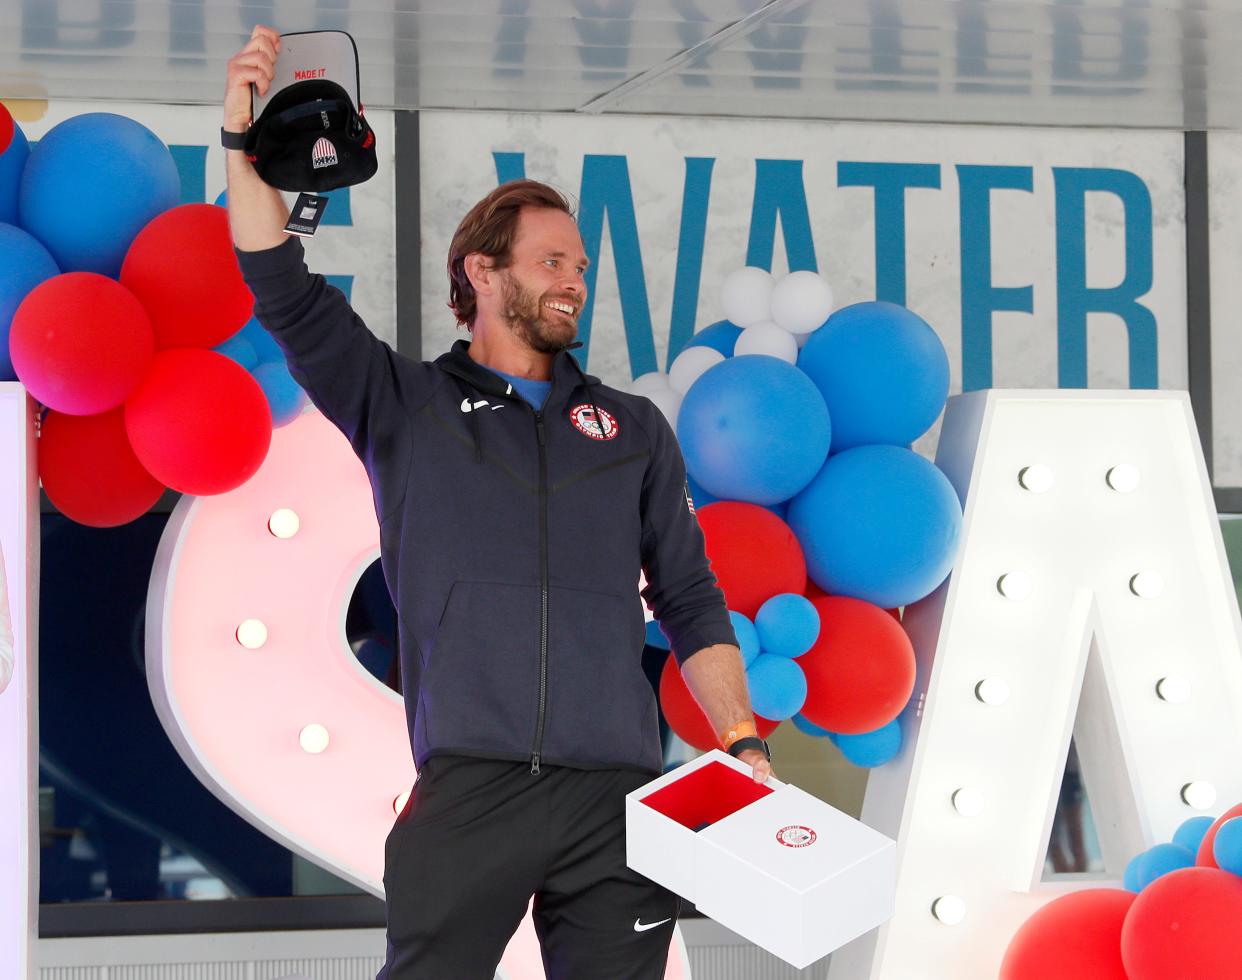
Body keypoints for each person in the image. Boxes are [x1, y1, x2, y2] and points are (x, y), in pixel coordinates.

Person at [224, 25, 772, 979]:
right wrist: (241, 145)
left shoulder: (632, 426)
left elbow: (688, 596)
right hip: (470, 792)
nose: (574, 282)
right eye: (552, 263)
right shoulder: (401, 403)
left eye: (580, 268)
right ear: (482, 273)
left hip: (618, 797)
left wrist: (742, 741)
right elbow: (282, 287)